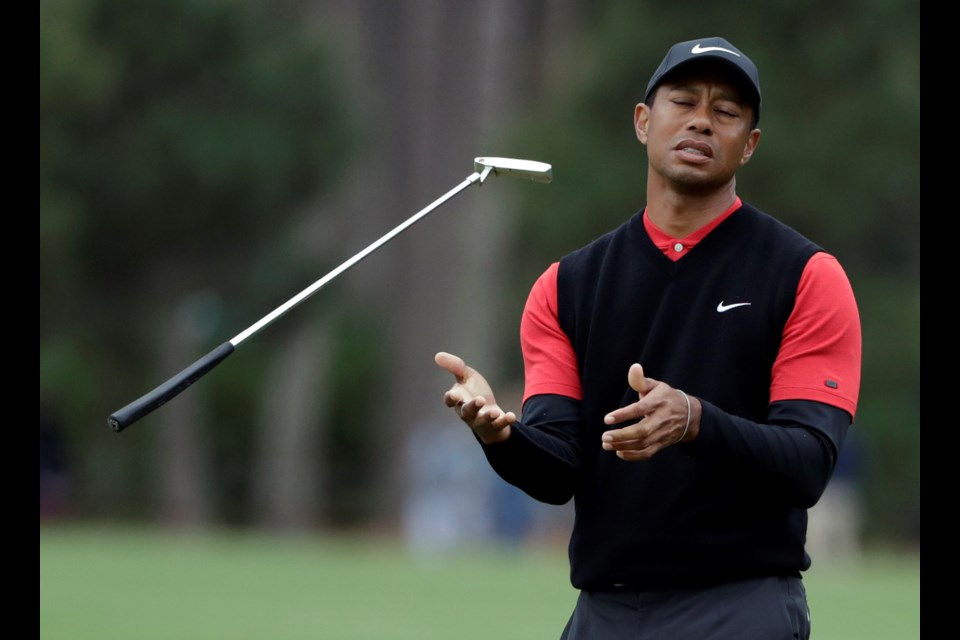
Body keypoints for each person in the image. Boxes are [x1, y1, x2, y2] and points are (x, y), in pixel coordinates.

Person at [435, 36, 861, 640]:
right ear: (643, 121)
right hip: (604, 612)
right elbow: (558, 471)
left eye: (726, 112)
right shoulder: (565, 286)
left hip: (739, 608)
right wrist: (499, 434)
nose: (700, 121)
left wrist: (693, 420)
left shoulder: (806, 275)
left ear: (750, 144)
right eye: (683, 101)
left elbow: (807, 464)